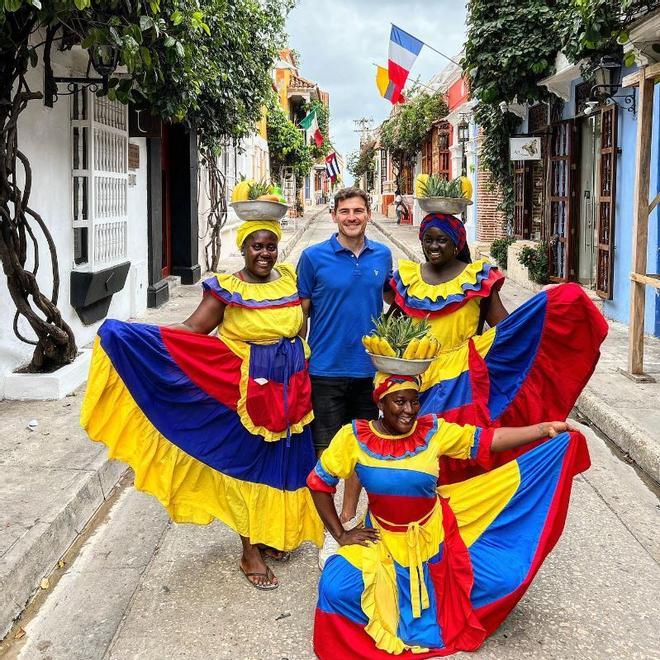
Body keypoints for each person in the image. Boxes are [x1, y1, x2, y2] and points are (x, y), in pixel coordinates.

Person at [81, 219, 323, 590]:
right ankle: (249, 551)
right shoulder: (226, 289)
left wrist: (295, 358)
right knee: (247, 466)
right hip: (244, 394)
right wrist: (140, 333)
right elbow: (193, 330)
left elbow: (299, 325)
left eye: (271, 246)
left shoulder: (290, 279)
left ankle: (270, 533)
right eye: (257, 246)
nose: (265, 253)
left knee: (284, 462)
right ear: (243, 249)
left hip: (291, 391)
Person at [308, 372, 589, 657]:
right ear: (381, 402)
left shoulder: (433, 431)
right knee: (335, 587)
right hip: (382, 538)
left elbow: (488, 440)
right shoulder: (353, 437)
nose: (409, 411)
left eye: (415, 402)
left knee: (501, 579)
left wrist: (542, 430)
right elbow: (319, 483)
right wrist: (341, 534)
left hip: (432, 537)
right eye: (400, 402)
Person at [389, 212, 608, 483]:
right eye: (428, 239)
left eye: (442, 240)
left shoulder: (476, 278)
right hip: (416, 374)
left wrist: (540, 310)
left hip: (462, 377)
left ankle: (458, 505)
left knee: (456, 447)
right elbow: (391, 327)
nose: (434, 246)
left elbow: (504, 326)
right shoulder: (408, 278)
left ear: (457, 244)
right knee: (412, 444)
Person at [297, 187, 393, 567]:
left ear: (368, 214)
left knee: (363, 451)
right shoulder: (313, 258)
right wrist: (292, 360)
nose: (352, 217)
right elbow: (300, 315)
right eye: (345, 211)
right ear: (333, 216)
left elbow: (398, 301)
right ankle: (329, 531)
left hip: (370, 371)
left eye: (358, 211)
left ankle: (350, 520)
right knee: (328, 456)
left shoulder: (382, 256)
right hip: (324, 370)